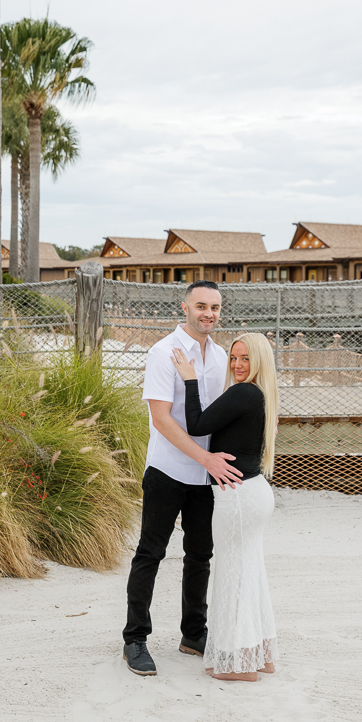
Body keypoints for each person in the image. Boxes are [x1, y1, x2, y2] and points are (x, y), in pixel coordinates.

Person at [122, 281, 243, 677]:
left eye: (216, 307)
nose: (209, 313)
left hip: (207, 475)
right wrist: (206, 458)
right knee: (150, 553)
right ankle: (135, 639)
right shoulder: (164, 353)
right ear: (185, 307)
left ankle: (194, 634)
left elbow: (220, 414)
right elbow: (162, 419)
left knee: (200, 556)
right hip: (168, 469)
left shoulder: (222, 355)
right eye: (201, 306)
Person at [171, 332, 279, 682]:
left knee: (234, 577)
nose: (237, 365)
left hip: (237, 498)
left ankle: (240, 666)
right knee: (250, 573)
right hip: (253, 493)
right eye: (234, 358)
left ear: (259, 360)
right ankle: (259, 656)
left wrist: (190, 379)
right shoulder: (262, 395)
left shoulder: (243, 392)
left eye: (245, 358)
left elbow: (197, 425)